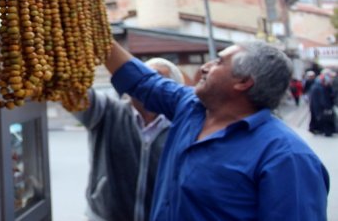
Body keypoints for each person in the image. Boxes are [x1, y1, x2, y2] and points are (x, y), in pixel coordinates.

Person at [104, 40, 329, 220]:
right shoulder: (190, 108)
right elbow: (142, 81)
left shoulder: (286, 157)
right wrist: (94, 29)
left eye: (219, 62)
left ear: (243, 82)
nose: (205, 67)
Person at [74, 58, 185, 221]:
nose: (147, 85)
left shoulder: (182, 128)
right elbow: (74, 91)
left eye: (156, 79)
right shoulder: (107, 111)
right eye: (142, 78)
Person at [310, 69, 336, 136]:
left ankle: (317, 128)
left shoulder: (321, 84)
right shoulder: (319, 85)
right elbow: (323, 98)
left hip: (320, 106)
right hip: (320, 106)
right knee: (321, 117)